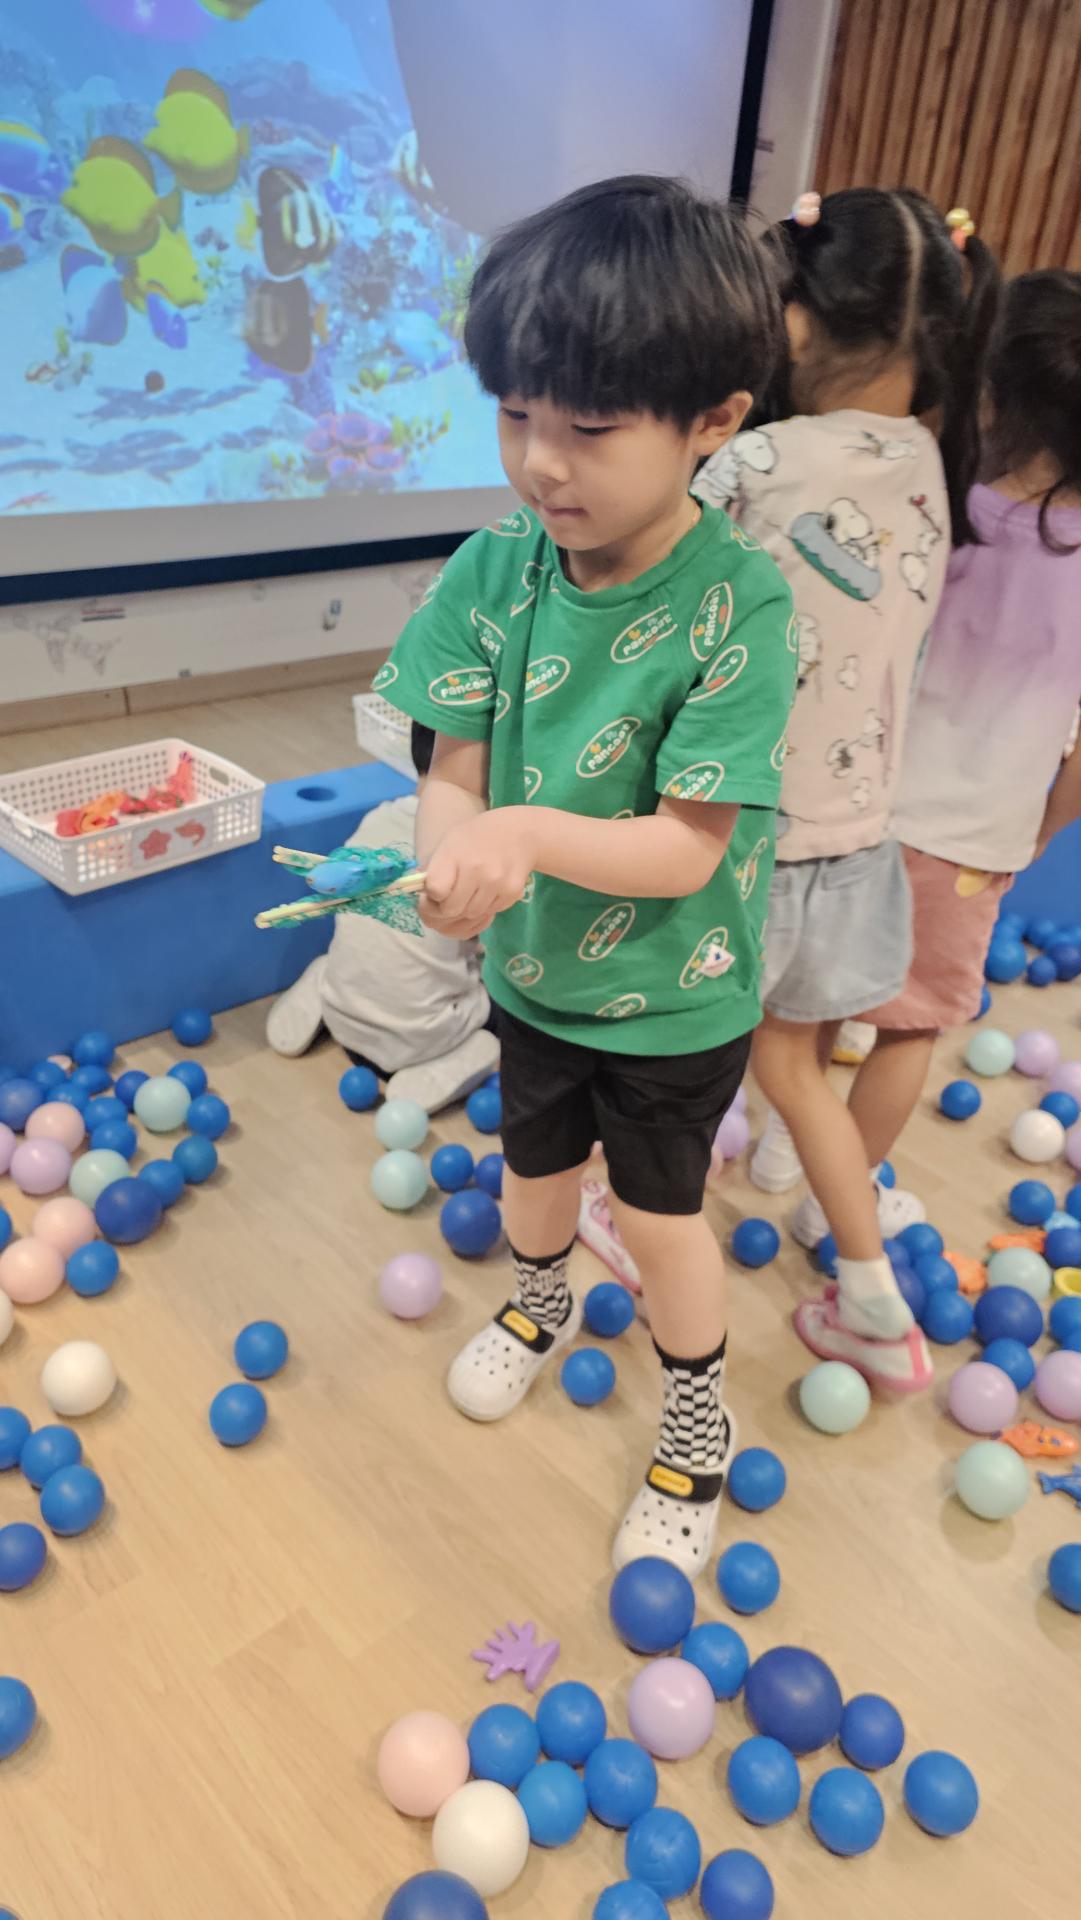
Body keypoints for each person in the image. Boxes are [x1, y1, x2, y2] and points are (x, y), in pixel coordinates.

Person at [377, 174, 796, 1577]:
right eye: (516, 416)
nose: (542, 465)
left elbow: (688, 846)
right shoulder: (496, 568)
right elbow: (452, 769)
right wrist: (450, 856)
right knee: (532, 1173)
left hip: (677, 999)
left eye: (591, 429)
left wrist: (525, 837)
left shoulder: (741, 604)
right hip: (536, 975)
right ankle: (540, 1302)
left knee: (664, 1223)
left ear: (713, 421)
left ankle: (694, 1422)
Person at [694, 189, 1000, 1392]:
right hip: (860, 831)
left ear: (798, 322)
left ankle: (869, 1300)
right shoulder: (931, 462)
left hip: (758, 830)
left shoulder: (759, 460)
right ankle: (812, 1209)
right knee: (797, 1056)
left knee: (749, 1056)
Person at [850, 270, 1081, 1161]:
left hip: (860, 807)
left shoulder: (934, 510)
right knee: (909, 1026)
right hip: (976, 847)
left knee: (805, 998)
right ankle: (832, 1209)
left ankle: (790, 1144)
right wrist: (1036, 834)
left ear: (986, 389)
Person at [266, 720, 498, 1109]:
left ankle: (326, 991)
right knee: (501, 1010)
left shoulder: (376, 819)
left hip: (344, 1017)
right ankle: (454, 1057)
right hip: (421, 1040)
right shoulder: (476, 854)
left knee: (352, 954)